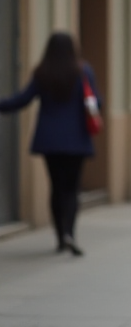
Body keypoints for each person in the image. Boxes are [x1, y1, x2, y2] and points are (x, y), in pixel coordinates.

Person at [0, 33, 101, 257]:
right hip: (77, 140)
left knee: (56, 187)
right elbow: (96, 102)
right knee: (72, 189)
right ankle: (70, 233)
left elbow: (22, 99)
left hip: (50, 140)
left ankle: (59, 237)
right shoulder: (83, 72)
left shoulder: (42, 73)